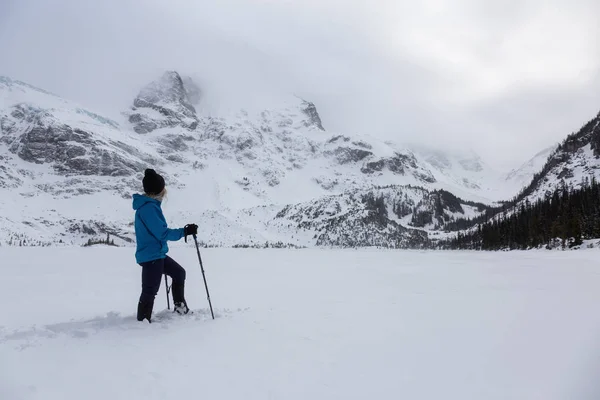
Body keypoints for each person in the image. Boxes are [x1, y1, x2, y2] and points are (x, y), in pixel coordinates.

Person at [132, 168, 198, 323]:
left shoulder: (151, 206)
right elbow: (162, 233)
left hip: (157, 254)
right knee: (150, 290)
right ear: (158, 190)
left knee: (179, 273)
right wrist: (184, 232)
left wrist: (184, 231)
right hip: (151, 256)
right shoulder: (148, 208)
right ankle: (142, 321)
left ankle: (180, 307)